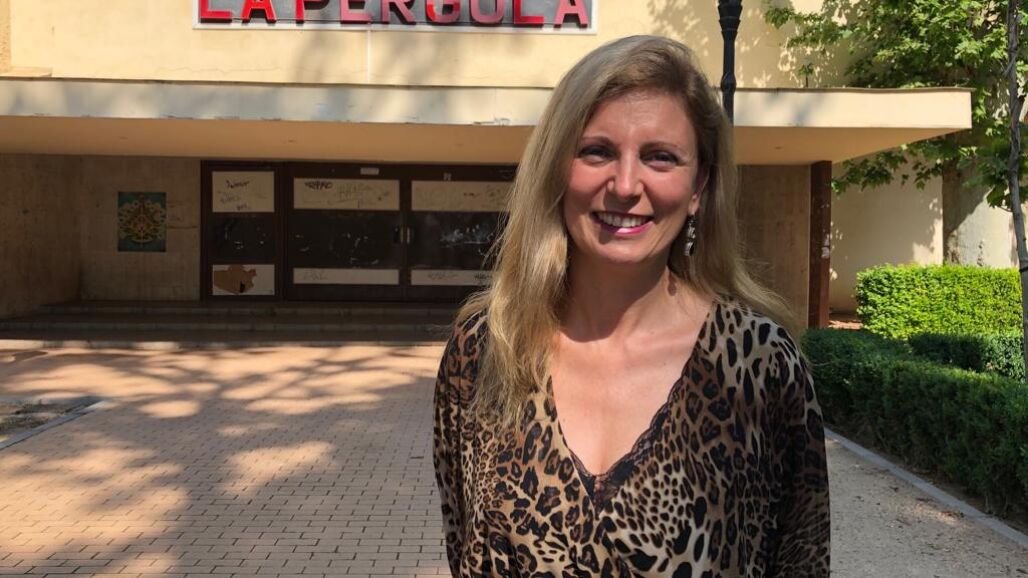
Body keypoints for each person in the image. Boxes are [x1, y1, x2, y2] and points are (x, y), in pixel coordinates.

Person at [433, 35, 830, 578]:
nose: (624, 185)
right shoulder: (485, 349)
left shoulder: (759, 366)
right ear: (556, 169)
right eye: (596, 151)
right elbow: (462, 544)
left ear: (699, 186)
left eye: (660, 157)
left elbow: (802, 560)